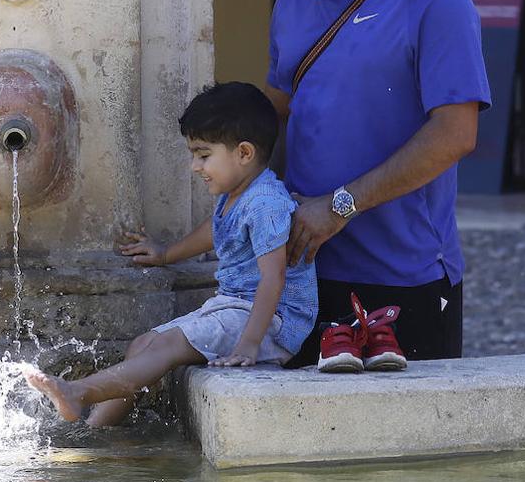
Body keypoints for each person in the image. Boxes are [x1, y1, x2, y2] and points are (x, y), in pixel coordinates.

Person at [254, 0, 489, 368]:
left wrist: (339, 206)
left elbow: (455, 133)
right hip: (302, 271)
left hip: (404, 276)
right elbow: (283, 103)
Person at [26, 82, 317, 425]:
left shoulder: (266, 201)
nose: (195, 166)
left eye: (203, 155)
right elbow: (216, 230)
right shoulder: (238, 193)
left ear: (244, 153)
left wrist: (248, 345)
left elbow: (274, 277)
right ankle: (95, 431)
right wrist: (166, 254)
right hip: (234, 308)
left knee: (167, 347)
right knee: (144, 344)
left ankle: (78, 392)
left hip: (272, 323)